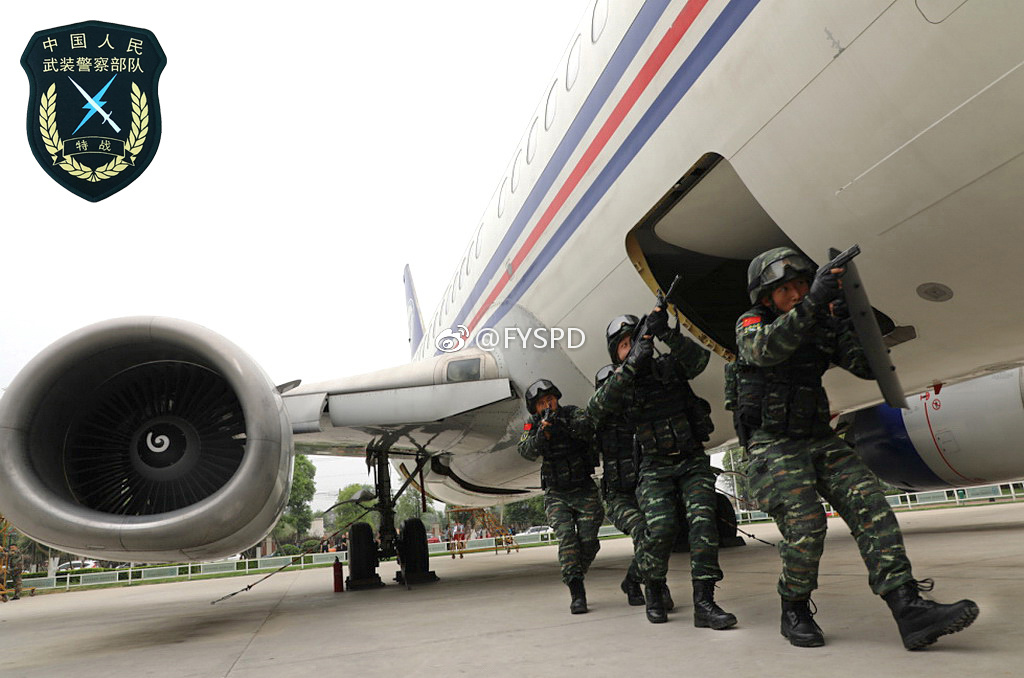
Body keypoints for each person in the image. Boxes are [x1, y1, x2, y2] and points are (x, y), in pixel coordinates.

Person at [734, 246, 979, 649]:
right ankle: (793, 607)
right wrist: (814, 302)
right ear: (765, 297)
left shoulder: (816, 320)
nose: (796, 293)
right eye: (786, 289)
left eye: (801, 284)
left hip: (818, 436)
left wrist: (848, 321)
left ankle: (908, 609)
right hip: (773, 443)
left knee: (872, 507)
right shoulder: (752, 323)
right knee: (806, 528)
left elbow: (865, 366)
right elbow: (764, 350)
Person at [589, 310, 735, 629]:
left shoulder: (667, 367)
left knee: (703, 526)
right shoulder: (621, 384)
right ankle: (653, 588)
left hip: (692, 460)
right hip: (655, 466)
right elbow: (597, 407)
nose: (631, 347)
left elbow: (698, 362)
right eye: (624, 345)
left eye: (636, 340)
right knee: (662, 528)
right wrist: (631, 365)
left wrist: (669, 334)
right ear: (616, 354)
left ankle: (705, 603)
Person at [518, 378, 604, 614]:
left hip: (583, 489)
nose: (548, 405)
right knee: (566, 538)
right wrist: (541, 435)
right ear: (535, 409)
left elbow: (588, 427)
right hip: (557, 493)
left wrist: (563, 427)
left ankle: (575, 572)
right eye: (542, 403)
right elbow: (524, 450)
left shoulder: (572, 412)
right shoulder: (531, 425)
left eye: (550, 400)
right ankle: (577, 591)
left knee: (588, 543)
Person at [592, 364, 672, 610]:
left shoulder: (639, 416)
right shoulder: (596, 426)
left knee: (662, 531)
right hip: (618, 497)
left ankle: (632, 579)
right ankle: (655, 584)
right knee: (642, 530)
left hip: (645, 488)